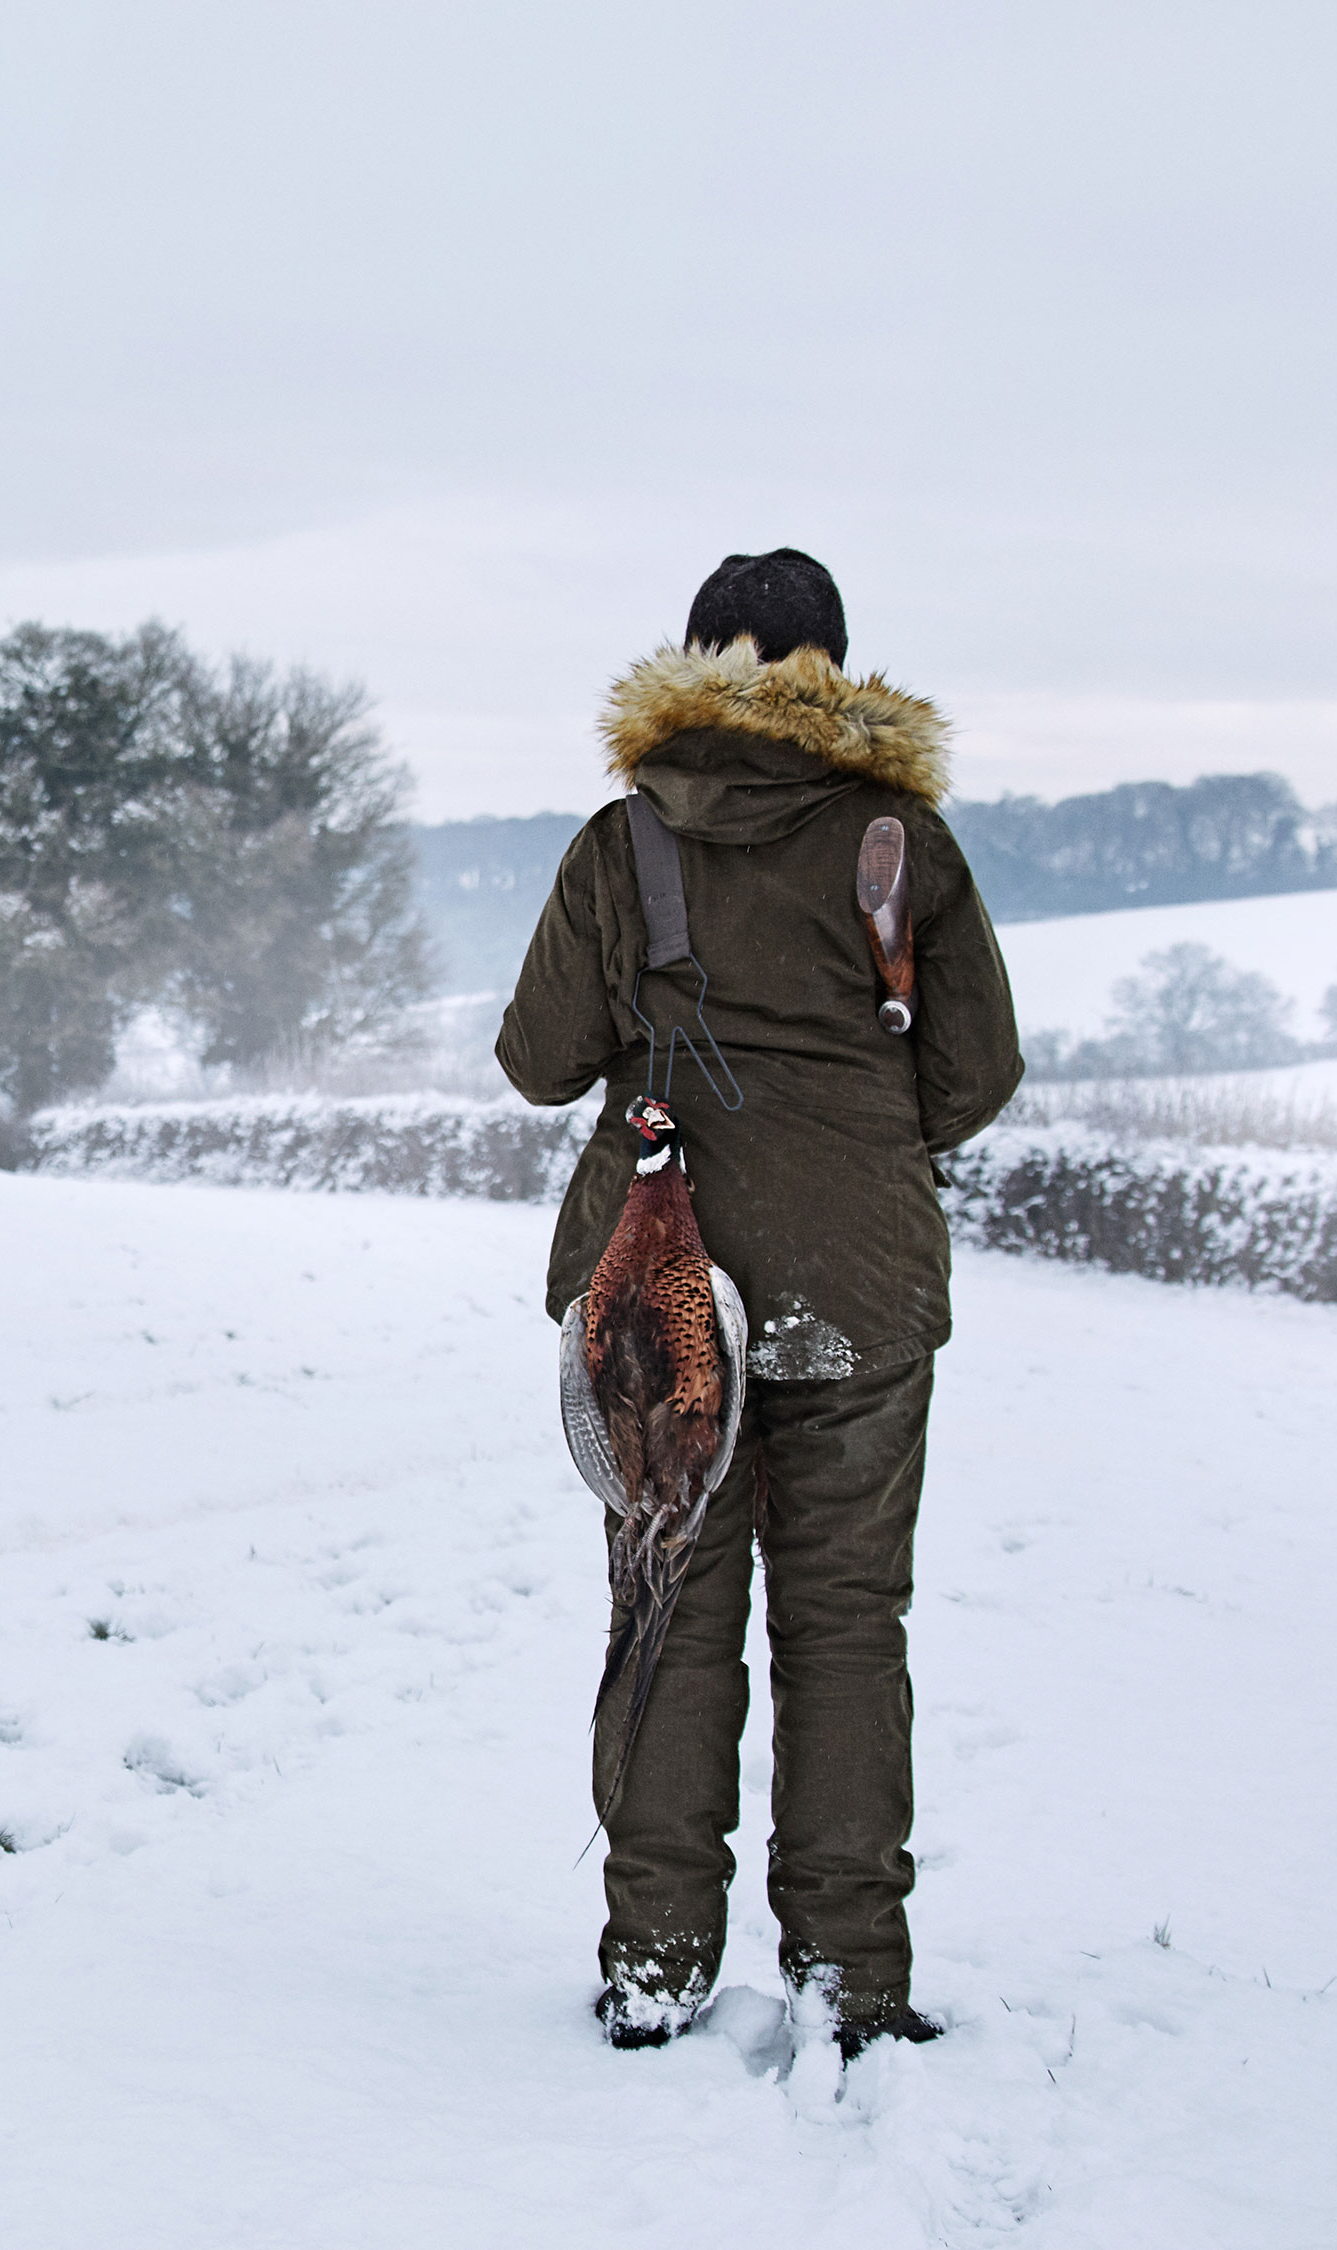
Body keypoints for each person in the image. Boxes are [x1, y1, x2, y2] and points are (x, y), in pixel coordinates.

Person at [496, 549, 1022, 2057]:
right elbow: (973, 1079)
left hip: (663, 1295)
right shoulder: (898, 842)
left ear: (692, 659)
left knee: (670, 1601)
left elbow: (538, 1060)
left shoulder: (623, 840)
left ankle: (656, 1964)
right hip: (858, 1280)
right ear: (836, 676)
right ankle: (851, 1978)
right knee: (849, 1625)